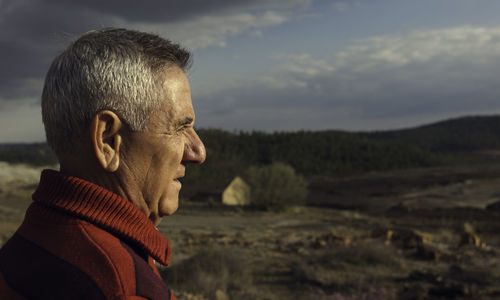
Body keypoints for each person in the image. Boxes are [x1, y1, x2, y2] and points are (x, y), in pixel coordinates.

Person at [0, 28, 206, 300]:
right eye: (180, 127)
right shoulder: (122, 288)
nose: (198, 151)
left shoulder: (27, 246)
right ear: (107, 140)